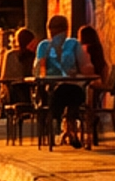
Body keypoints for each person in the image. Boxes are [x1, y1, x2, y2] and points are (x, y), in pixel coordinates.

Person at [34, 15, 86, 143]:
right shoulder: (44, 46)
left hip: (69, 86)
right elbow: (39, 69)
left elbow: (83, 65)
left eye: (59, 29)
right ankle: (70, 129)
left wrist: (77, 72)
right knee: (65, 94)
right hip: (52, 88)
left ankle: (70, 128)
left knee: (73, 93)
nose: (56, 32)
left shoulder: (73, 44)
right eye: (54, 29)